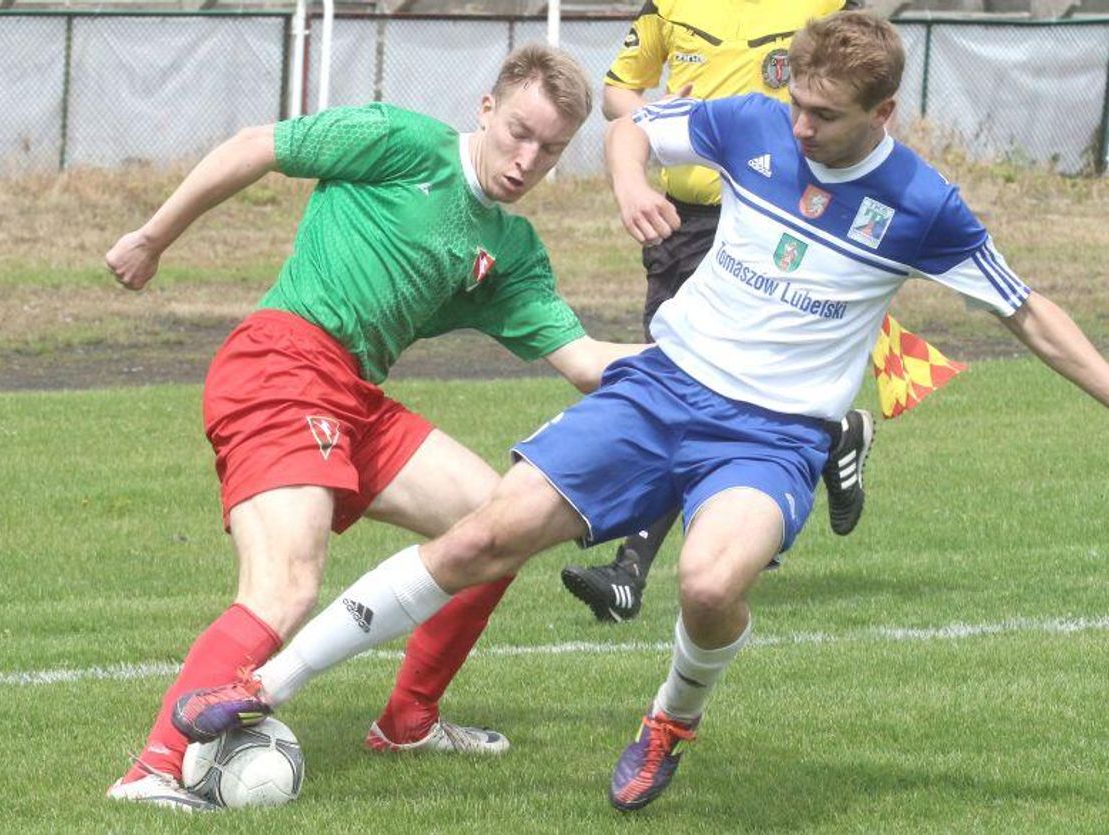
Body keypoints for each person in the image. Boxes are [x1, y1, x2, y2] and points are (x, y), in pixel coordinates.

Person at [170, 10, 1109, 812]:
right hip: (662, 391)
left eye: (825, 116)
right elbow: (632, 129)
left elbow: (1028, 312)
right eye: (797, 104)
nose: (802, 127)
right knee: (483, 535)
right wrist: (630, 182)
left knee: (708, 583)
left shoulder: (922, 205)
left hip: (772, 434)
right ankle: (263, 685)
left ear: (883, 114)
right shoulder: (752, 122)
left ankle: (669, 721)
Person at [104, 44, 644, 811]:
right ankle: (154, 769)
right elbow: (256, 146)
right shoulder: (402, 140)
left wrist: (702, 361)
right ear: (487, 109)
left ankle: (407, 721)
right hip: (281, 364)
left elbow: (586, 361)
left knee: (498, 526)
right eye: (518, 132)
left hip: (354, 396)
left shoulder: (511, 249)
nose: (527, 159)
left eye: (550, 149)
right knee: (286, 585)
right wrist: (153, 238)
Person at [561, 0, 874, 624]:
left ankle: (628, 571)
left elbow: (863, 86)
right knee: (679, 382)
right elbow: (619, 92)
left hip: (766, 218)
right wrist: (652, 119)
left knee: (685, 386)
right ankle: (828, 434)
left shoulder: (826, 7)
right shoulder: (669, 5)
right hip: (680, 222)